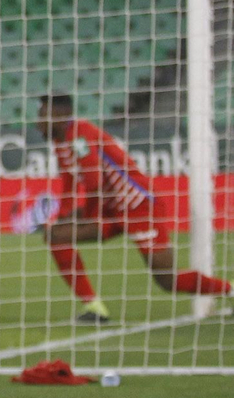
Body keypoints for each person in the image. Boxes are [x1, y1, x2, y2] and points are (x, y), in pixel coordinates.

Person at [35, 93, 230, 322]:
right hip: (110, 209)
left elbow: (93, 181)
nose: (38, 121)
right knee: (55, 235)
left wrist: (89, 217)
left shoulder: (79, 137)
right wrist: (63, 216)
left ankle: (229, 289)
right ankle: (94, 307)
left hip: (139, 207)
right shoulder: (60, 141)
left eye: (43, 115)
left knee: (168, 280)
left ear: (60, 115)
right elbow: (69, 182)